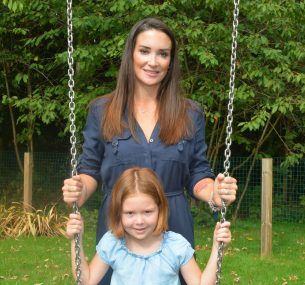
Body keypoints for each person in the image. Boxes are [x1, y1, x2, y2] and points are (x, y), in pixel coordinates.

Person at [62, 17, 237, 285]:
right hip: (120, 222)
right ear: (131, 54)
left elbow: (198, 173)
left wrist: (214, 192)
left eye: (162, 54)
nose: (152, 62)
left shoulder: (190, 113)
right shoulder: (102, 111)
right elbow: (89, 170)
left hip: (174, 220)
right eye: (144, 51)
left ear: (171, 61)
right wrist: (79, 190)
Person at [66, 168, 232, 285]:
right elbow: (85, 280)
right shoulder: (113, 244)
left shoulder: (175, 246)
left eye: (147, 212)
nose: (139, 221)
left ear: (160, 209)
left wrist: (217, 248)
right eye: (130, 213)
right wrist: (76, 240)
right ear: (118, 213)